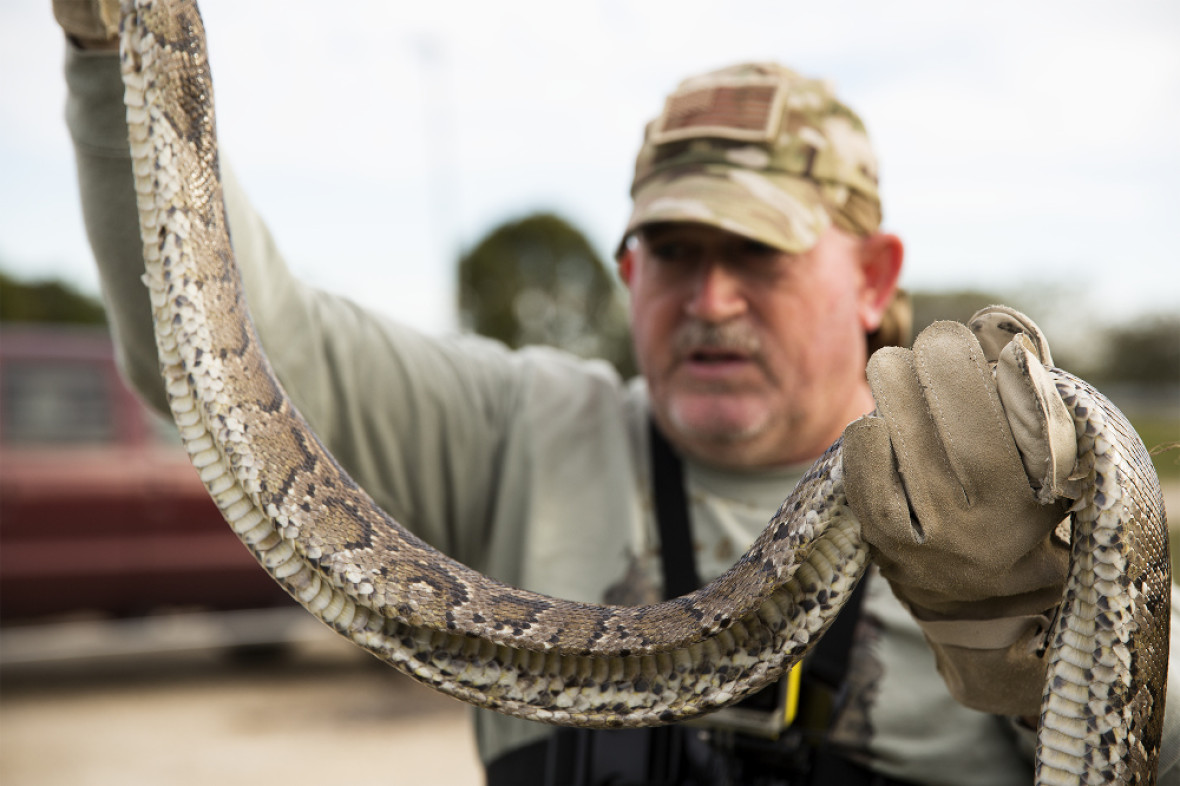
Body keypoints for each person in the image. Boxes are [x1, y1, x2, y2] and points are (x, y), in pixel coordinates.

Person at [54, 4, 1180, 784]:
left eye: (759, 256)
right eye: (673, 252)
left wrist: (1028, 643)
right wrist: (116, 50)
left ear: (873, 278)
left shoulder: (1022, 497)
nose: (711, 300)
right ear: (627, 272)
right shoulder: (524, 429)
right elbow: (216, 346)